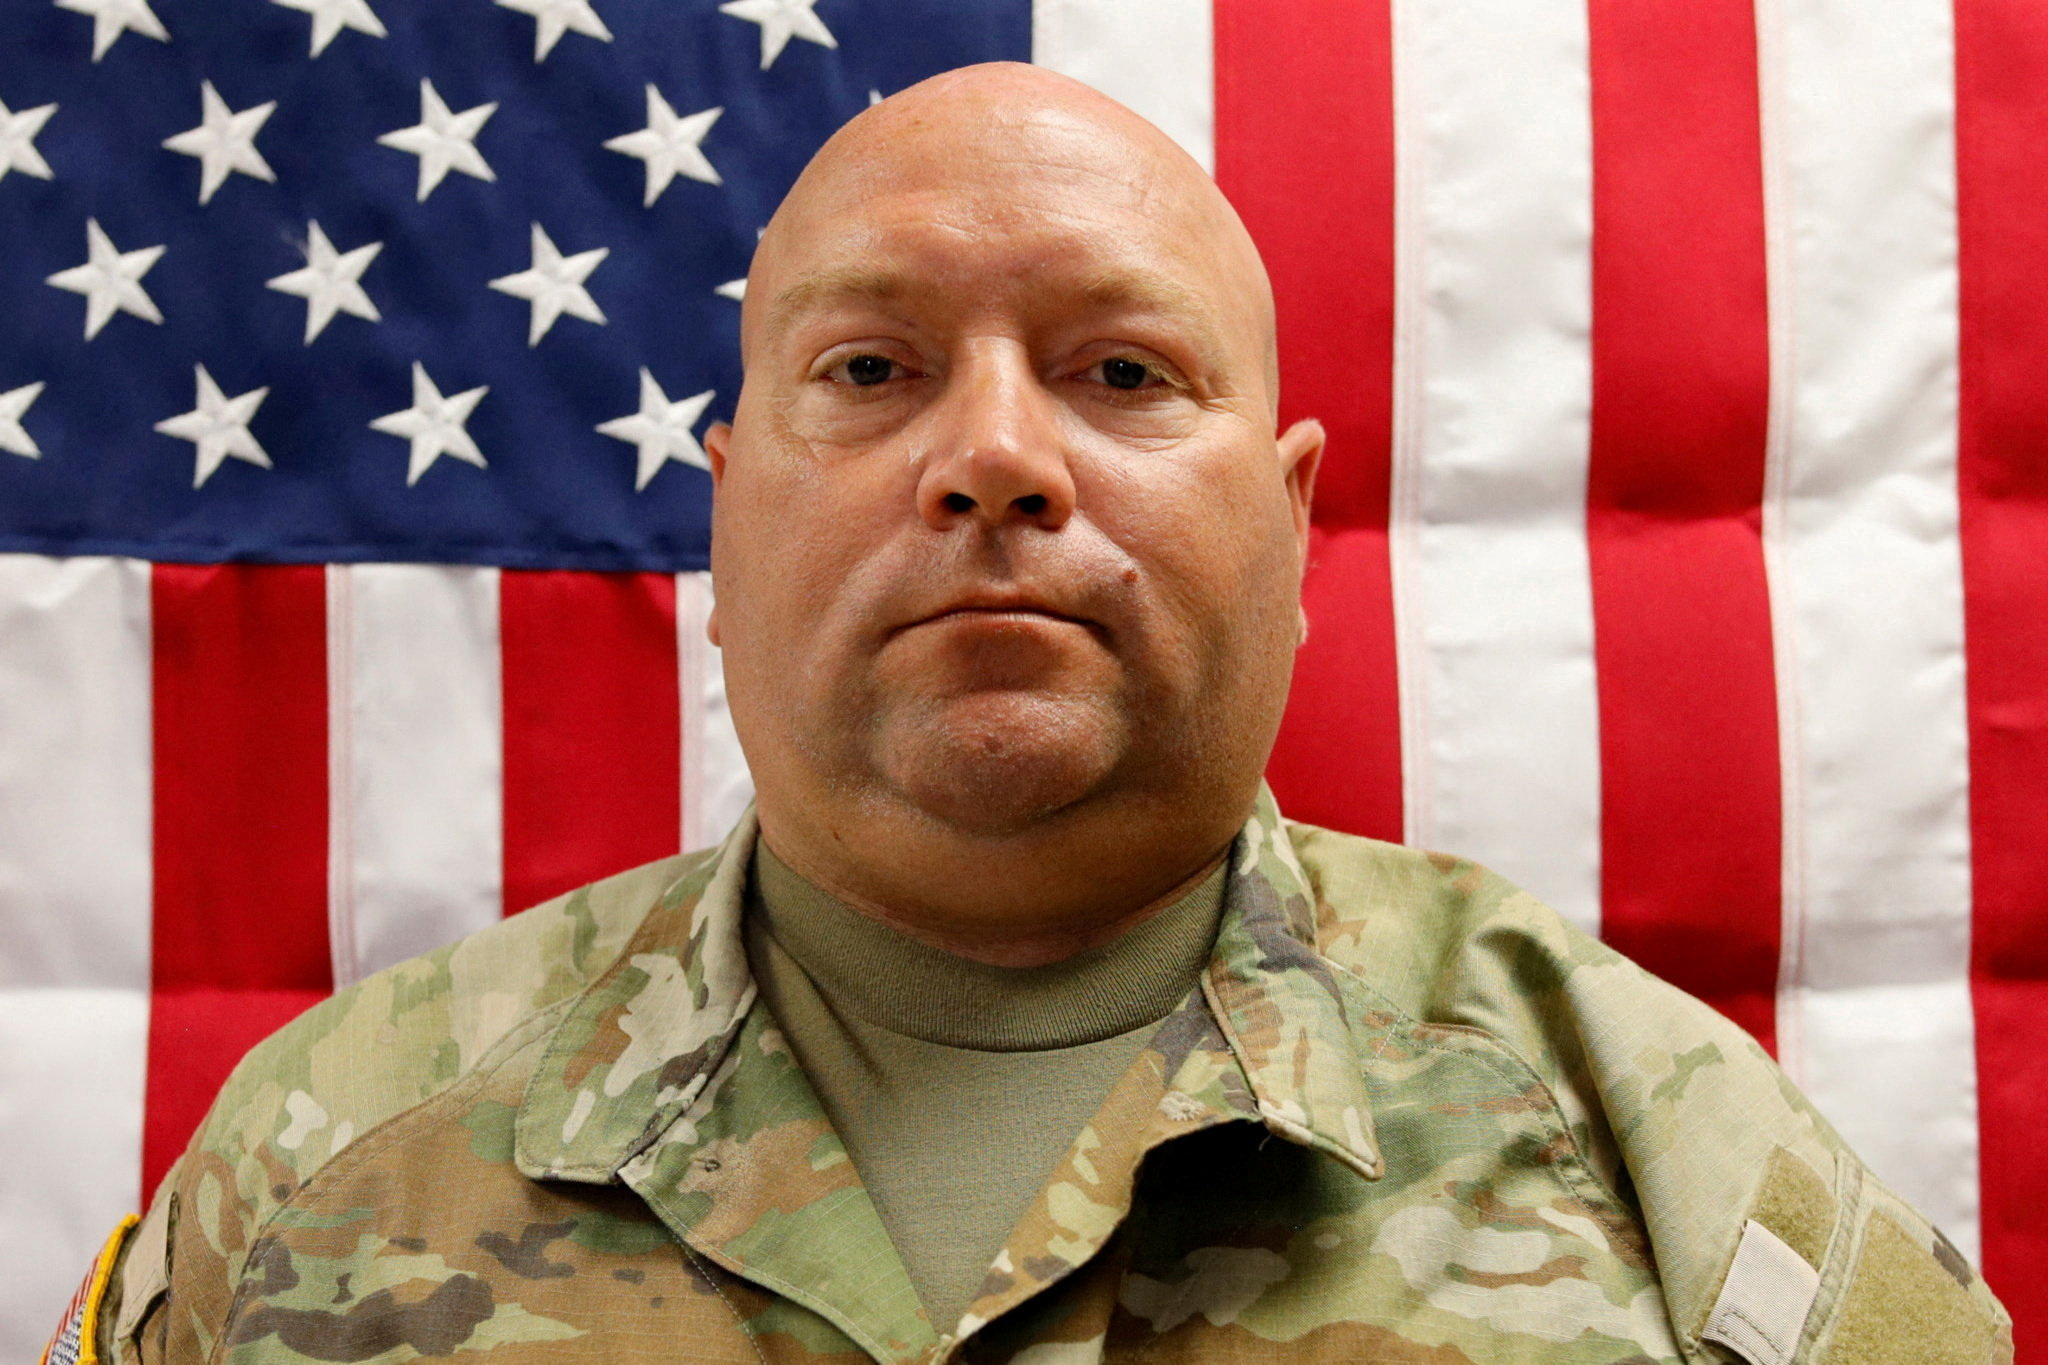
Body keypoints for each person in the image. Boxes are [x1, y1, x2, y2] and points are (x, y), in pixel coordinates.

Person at [56, 63, 2009, 1365]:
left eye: (1123, 370)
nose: (993, 455)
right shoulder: (326, 1156)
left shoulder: (1663, 1159)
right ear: (723, 525)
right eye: (875, 364)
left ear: (1294, 518)